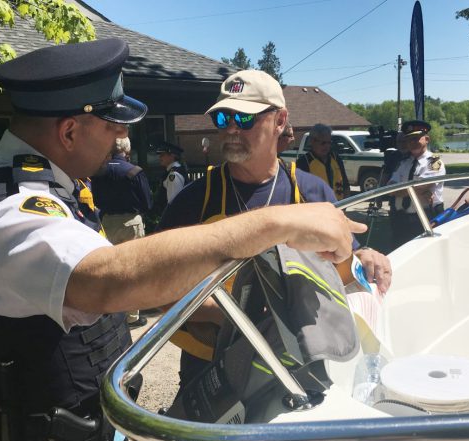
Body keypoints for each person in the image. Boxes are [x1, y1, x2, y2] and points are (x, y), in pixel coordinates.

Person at [0, 38, 364, 441]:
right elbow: (109, 279)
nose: (120, 141)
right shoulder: (10, 208)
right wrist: (272, 225)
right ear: (70, 130)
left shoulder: (47, 187)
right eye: (113, 126)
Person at [158, 69, 392, 389]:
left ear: (280, 120)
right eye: (223, 119)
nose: (230, 130)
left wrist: (364, 258)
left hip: (297, 358)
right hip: (211, 364)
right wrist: (227, 316)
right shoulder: (193, 201)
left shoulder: (313, 194)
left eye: (244, 119)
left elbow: (340, 270)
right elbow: (159, 288)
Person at [91, 136, 152, 328]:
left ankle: (110, 313)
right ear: (127, 150)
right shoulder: (134, 171)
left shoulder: (98, 171)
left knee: (108, 270)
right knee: (132, 270)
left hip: (106, 222)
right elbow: (147, 202)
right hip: (130, 223)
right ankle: (131, 316)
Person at [387, 119, 446, 248]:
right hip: (401, 219)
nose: (412, 143)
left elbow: (419, 187)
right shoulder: (404, 162)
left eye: (416, 138)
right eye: (409, 139)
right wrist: (414, 189)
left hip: (424, 218)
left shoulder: (434, 162)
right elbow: (389, 187)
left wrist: (403, 190)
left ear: (427, 139)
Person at [297, 123, 350, 199]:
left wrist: (345, 205)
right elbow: (300, 192)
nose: (327, 146)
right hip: (317, 208)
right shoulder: (304, 162)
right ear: (312, 141)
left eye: (329, 142)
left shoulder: (335, 158)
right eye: (323, 143)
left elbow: (346, 185)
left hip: (338, 206)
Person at [154, 141, 187, 211]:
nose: (160, 157)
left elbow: (173, 204)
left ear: (172, 156)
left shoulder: (173, 175)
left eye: (163, 155)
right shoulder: (171, 172)